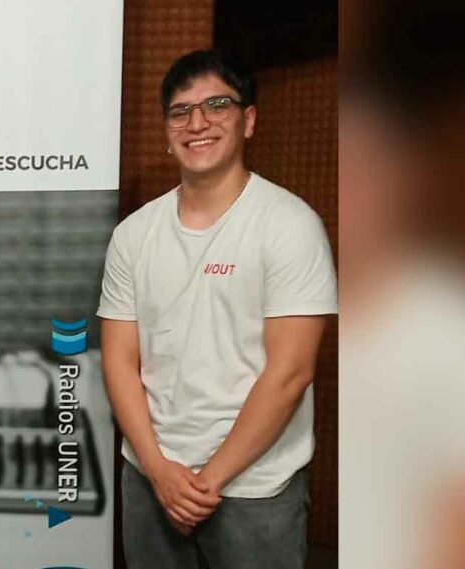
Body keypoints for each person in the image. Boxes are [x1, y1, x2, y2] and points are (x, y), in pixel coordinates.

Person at [98, 49, 336, 568]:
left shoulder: (289, 226)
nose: (197, 123)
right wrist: (160, 471)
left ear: (248, 119)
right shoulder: (133, 235)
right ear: (166, 130)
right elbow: (118, 360)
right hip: (150, 481)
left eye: (216, 105)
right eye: (180, 111)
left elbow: (290, 372)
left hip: (254, 488)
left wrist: (208, 480)